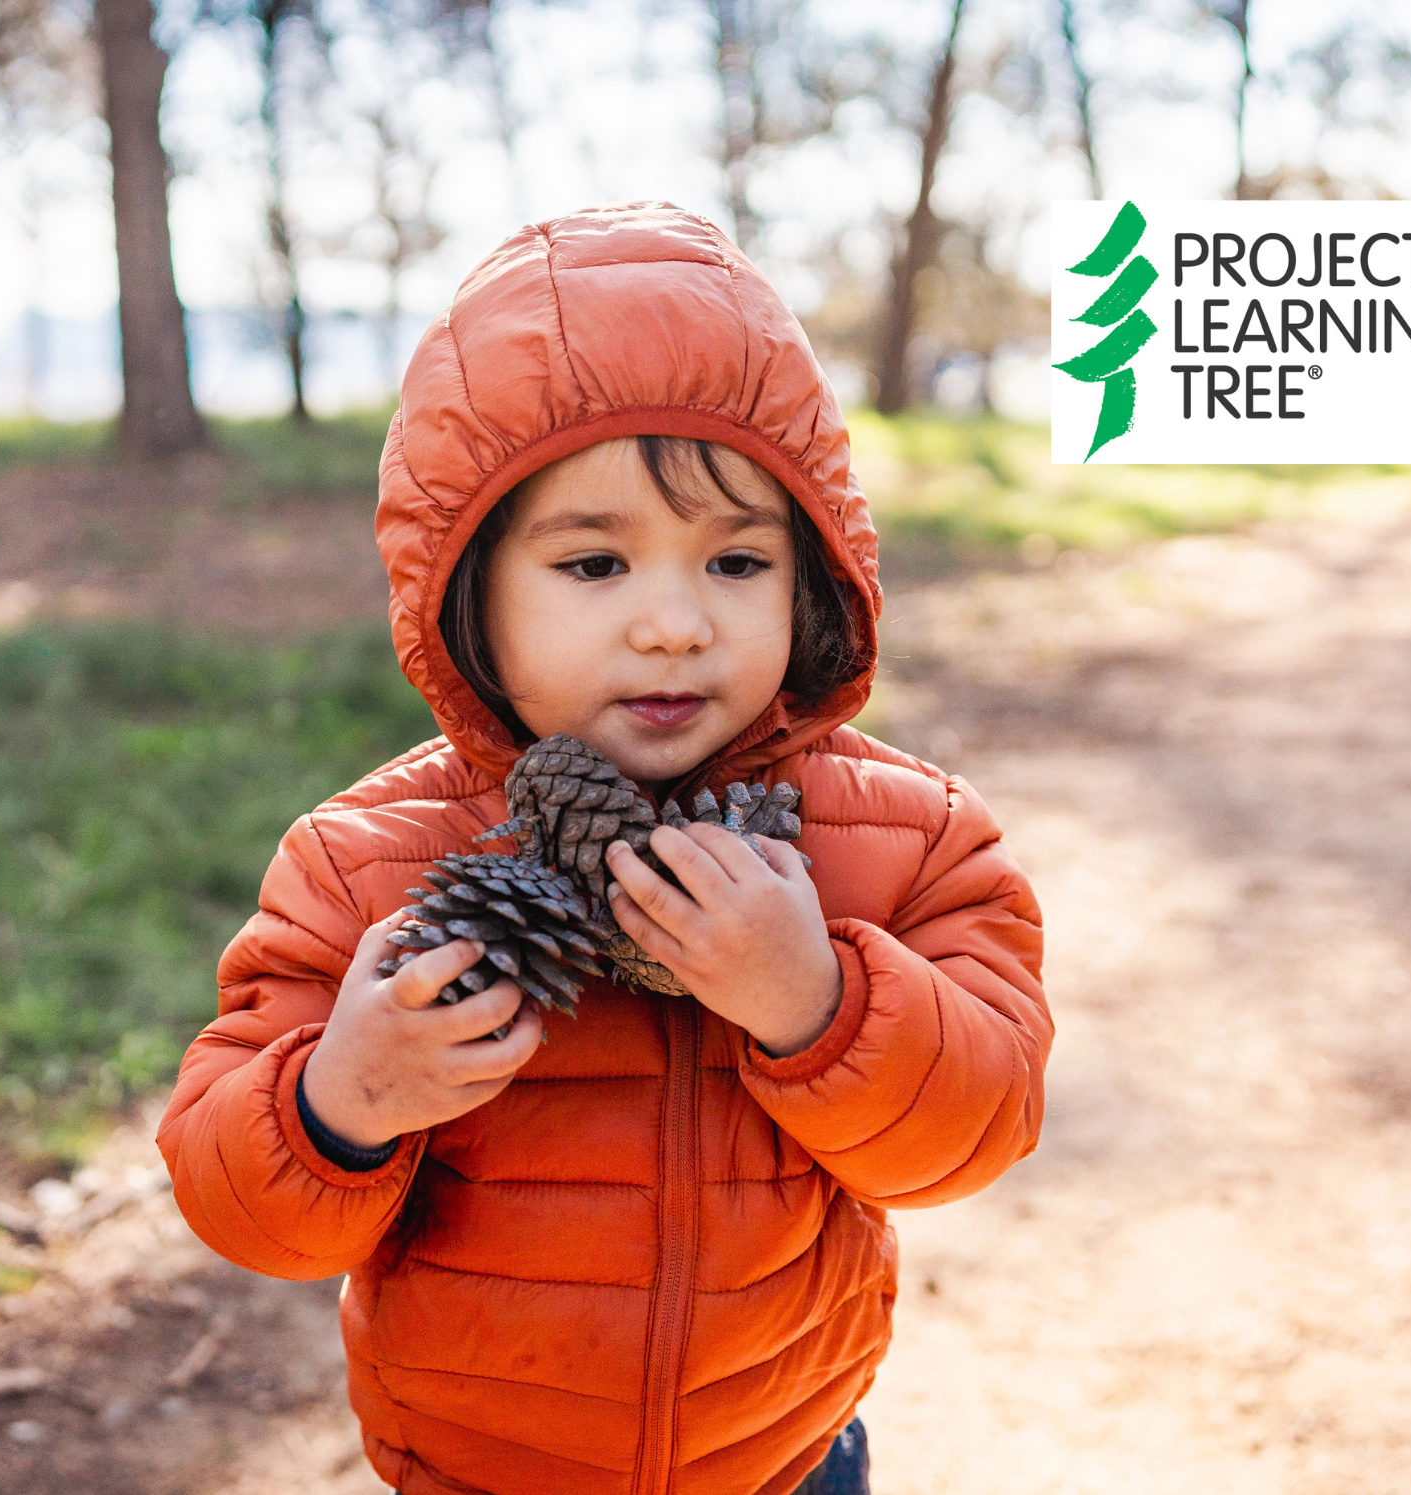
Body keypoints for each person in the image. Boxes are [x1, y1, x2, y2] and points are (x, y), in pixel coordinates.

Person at [157, 202, 1052, 1495]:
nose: (677, 623)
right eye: (594, 564)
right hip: (475, 1466)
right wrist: (341, 1098)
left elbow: (976, 1129)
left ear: (812, 580)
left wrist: (817, 1000)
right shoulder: (367, 863)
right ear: (466, 588)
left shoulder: (905, 837)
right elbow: (238, 1201)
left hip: (784, 1455)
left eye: (738, 558)